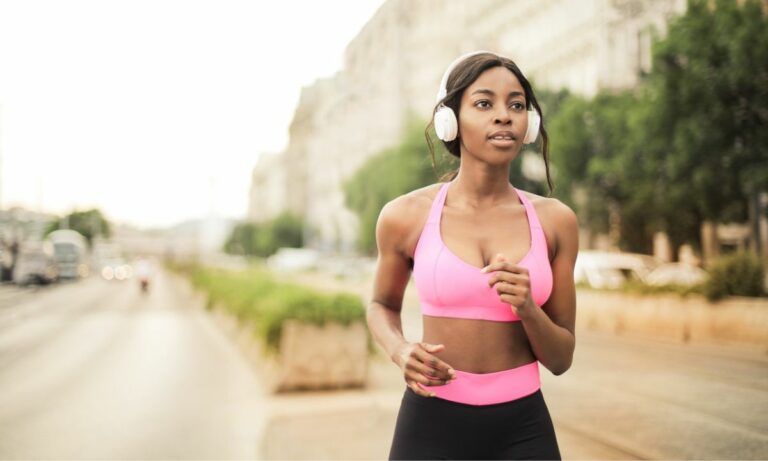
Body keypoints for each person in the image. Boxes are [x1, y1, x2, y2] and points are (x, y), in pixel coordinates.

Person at [367, 51, 578, 460]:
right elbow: (381, 304)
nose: (504, 116)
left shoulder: (556, 221)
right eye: (484, 103)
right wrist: (400, 349)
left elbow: (561, 359)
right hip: (429, 424)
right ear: (450, 120)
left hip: (523, 429)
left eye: (517, 105)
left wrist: (529, 309)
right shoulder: (405, 216)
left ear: (530, 124)